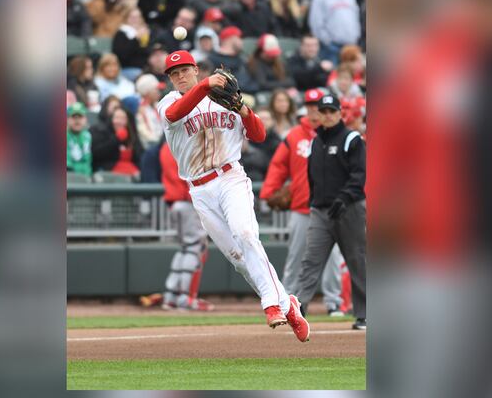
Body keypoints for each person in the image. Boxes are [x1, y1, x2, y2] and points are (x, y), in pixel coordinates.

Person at [157, 49, 310, 342]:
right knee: (239, 259)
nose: (179, 76)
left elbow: (260, 135)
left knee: (246, 234)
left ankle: (270, 304)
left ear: (195, 70)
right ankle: (287, 304)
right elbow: (177, 114)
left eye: (184, 70)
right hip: (200, 189)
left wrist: (242, 108)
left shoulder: (223, 100)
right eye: (173, 74)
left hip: (230, 178)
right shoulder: (169, 103)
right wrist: (205, 87)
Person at [260, 88, 348, 316]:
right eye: (309, 106)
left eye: (316, 106)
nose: (313, 110)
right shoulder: (294, 135)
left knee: (333, 258)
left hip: (330, 208)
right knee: (296, 256)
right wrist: (269, 191)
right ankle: (286, 301)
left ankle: (333, 302)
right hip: (301, 206)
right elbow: (279, 165)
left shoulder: (338, 135)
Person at [296, 94, 366, 330]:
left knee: (358, 260)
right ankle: (299, 309)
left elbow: (359, 175)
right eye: (323, 111)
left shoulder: (352, 139)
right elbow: (312, 176)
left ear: (340, 113)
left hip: (350, 209)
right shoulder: (317, 140)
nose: (326, 116)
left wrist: (344, 198)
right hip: (321, 210)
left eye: (331, 111)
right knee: (310, 261)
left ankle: (365, 314)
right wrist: (314, 201)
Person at [138, 141, 215, 311]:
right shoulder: (184, 142)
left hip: (176, 202)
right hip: (188, 200)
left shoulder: (167, 144)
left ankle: (172, 295)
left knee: (186, 248)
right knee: (196, 247)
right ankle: (185, 298)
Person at [307, 0, 362, 64]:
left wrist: (356, 37)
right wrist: (328, 42)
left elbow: (356, 18)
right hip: (332, 48)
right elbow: (316, 23)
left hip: (352, 46)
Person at [90, 105, 144, 178]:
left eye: (123, 118)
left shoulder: (132, 135)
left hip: (132, 169)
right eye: (116, 118)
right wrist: (116, 139)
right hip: (108, 170)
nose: (119, 121)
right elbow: (97, 153)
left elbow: (140, 155)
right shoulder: (101, 131)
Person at [207, 26, 259, 94]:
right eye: (239, 38)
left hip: (249, 93)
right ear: (231, 39)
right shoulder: (213, 59)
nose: (242, 42)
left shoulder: (241, 59)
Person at [112, 7, 152, 81]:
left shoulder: (145, 33)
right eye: (132, 17)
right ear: (126, 18)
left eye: (137, 17)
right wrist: (136, 39)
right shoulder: (121, 33)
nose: (135, 20)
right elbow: (122, 55)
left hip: (145, 69)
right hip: (128, 69)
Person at [134, 74, 164, 148]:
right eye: (156, 90)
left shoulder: (159, 105)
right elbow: (146, 135)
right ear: (147, 93)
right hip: (153, 147)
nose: (158, 92)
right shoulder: (141, 112)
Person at [66, 103, 93, 179]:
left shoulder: (88, 136)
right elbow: (67, 164)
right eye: (74, 117)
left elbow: (88, 161)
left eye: (80, 117)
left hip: (87, 178)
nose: (77, 121)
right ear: (68, 119)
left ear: (85, 119)